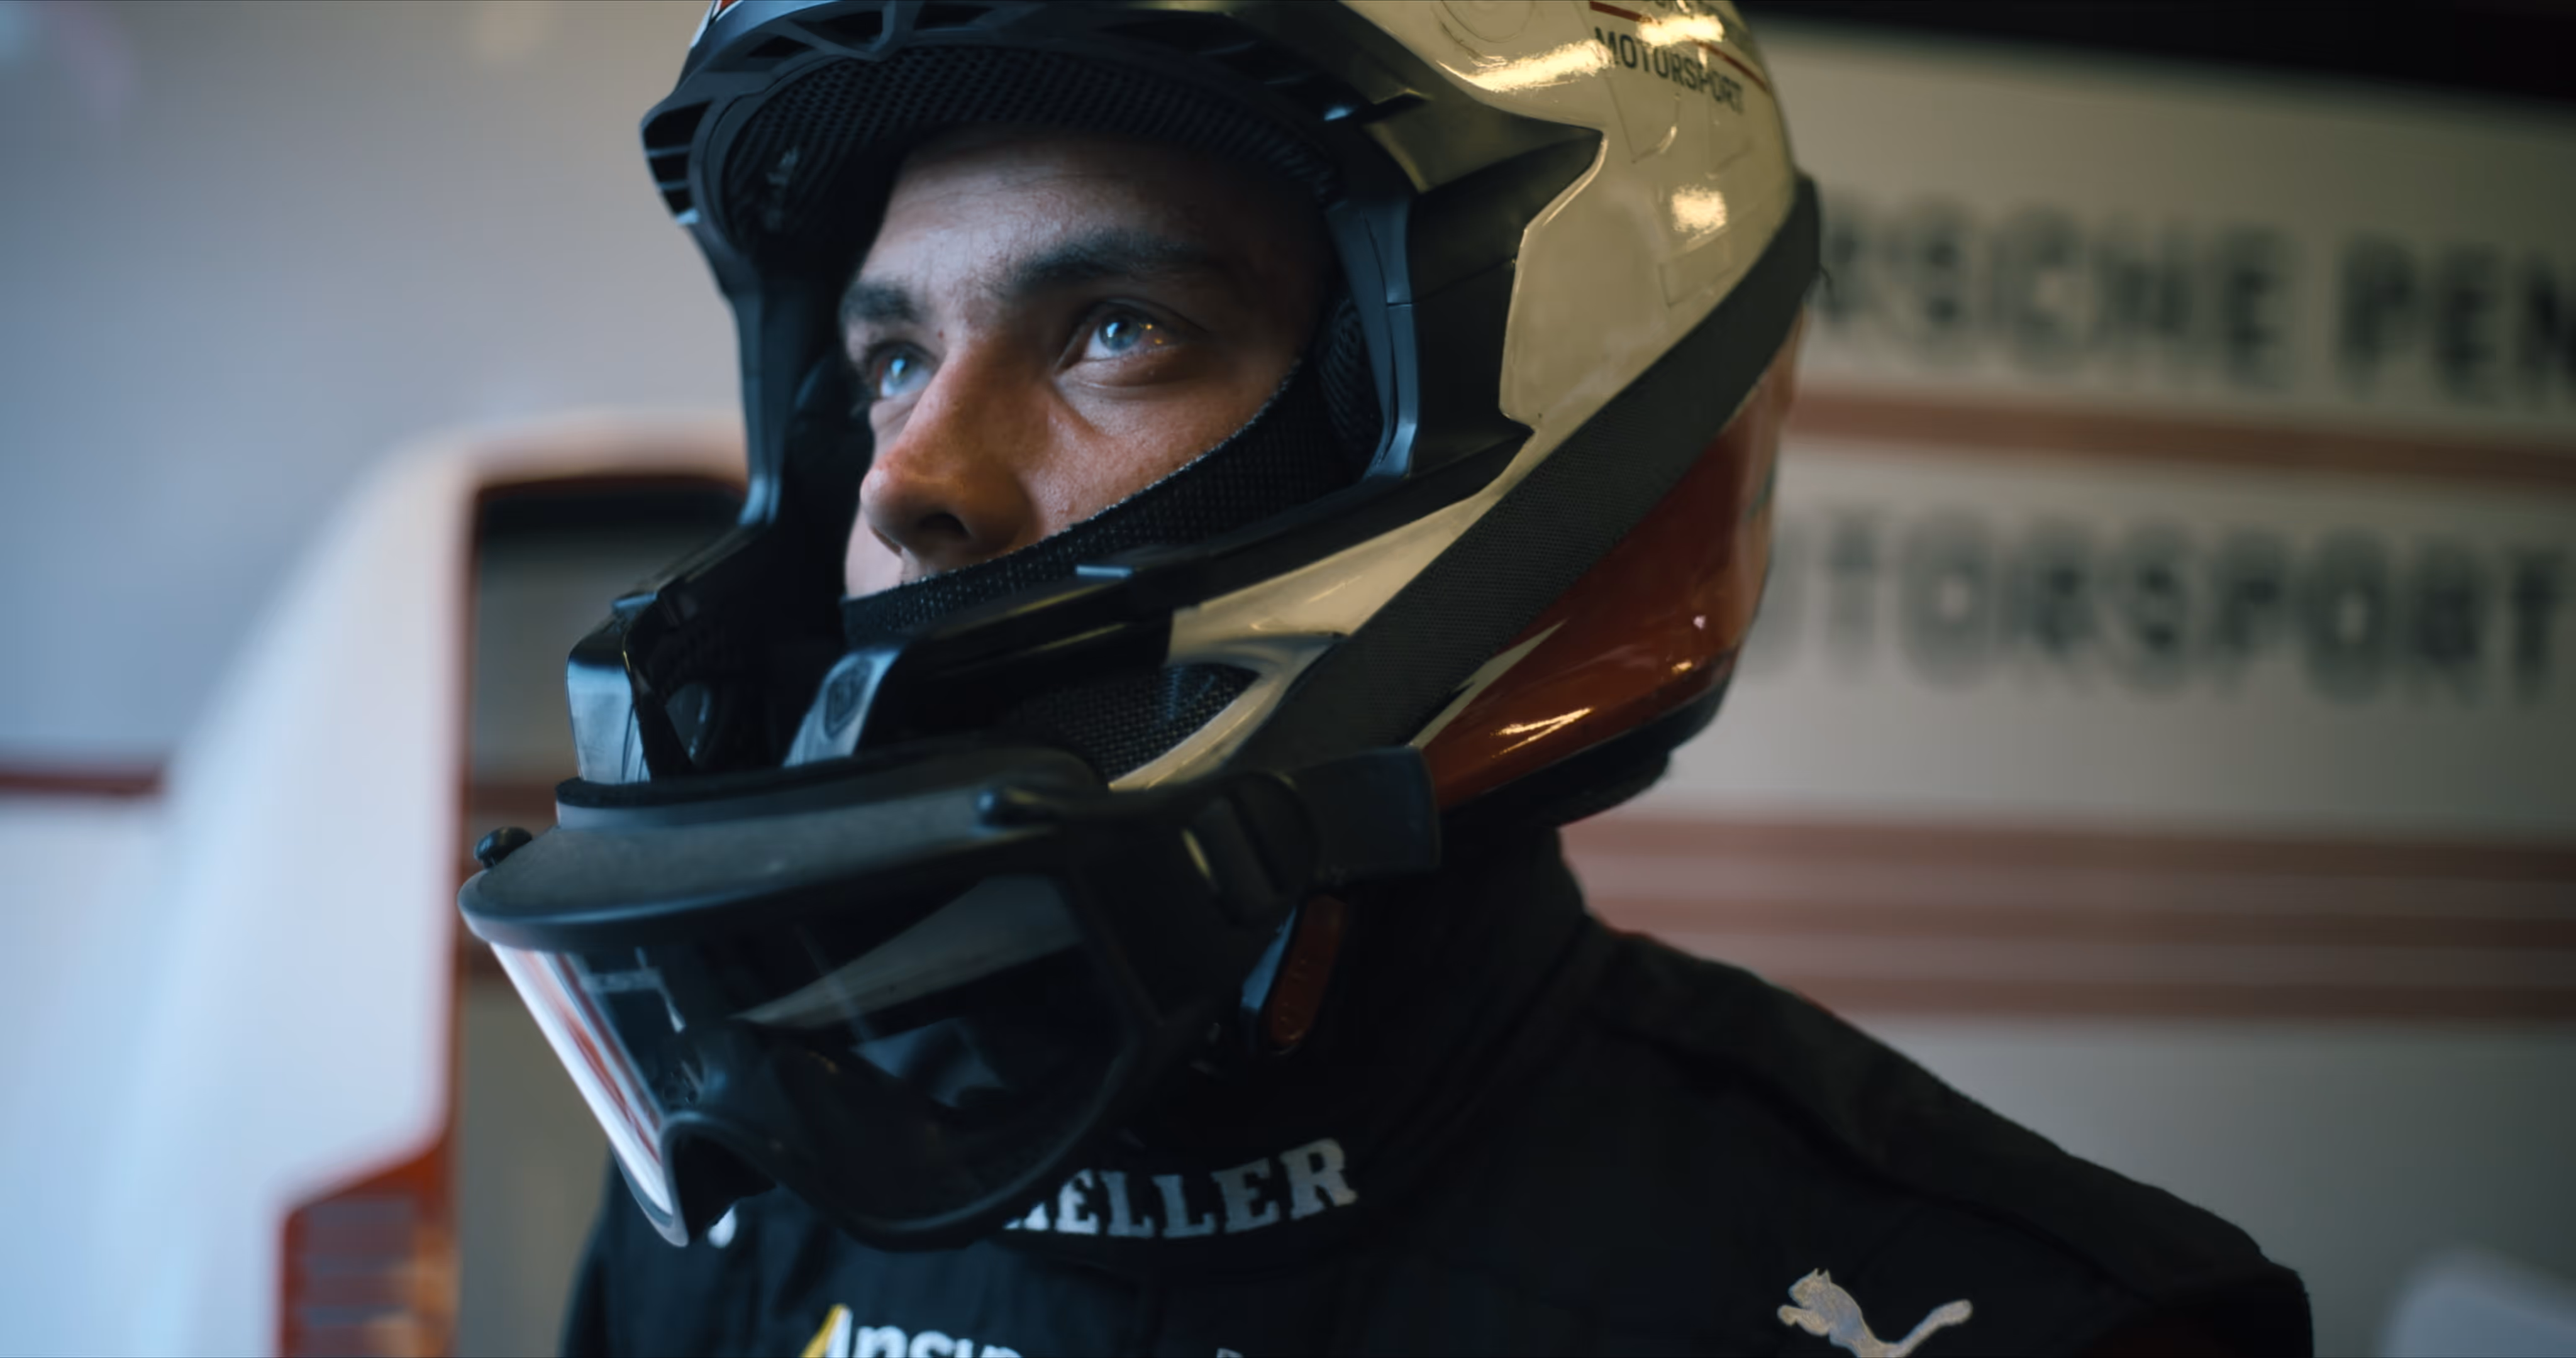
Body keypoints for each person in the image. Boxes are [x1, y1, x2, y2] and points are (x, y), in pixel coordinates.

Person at [459, 3, 2312, 1354]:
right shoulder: (732, 1235)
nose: (910, 481)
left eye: (1115, 330)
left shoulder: (1996, 1315)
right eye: (886, 361)